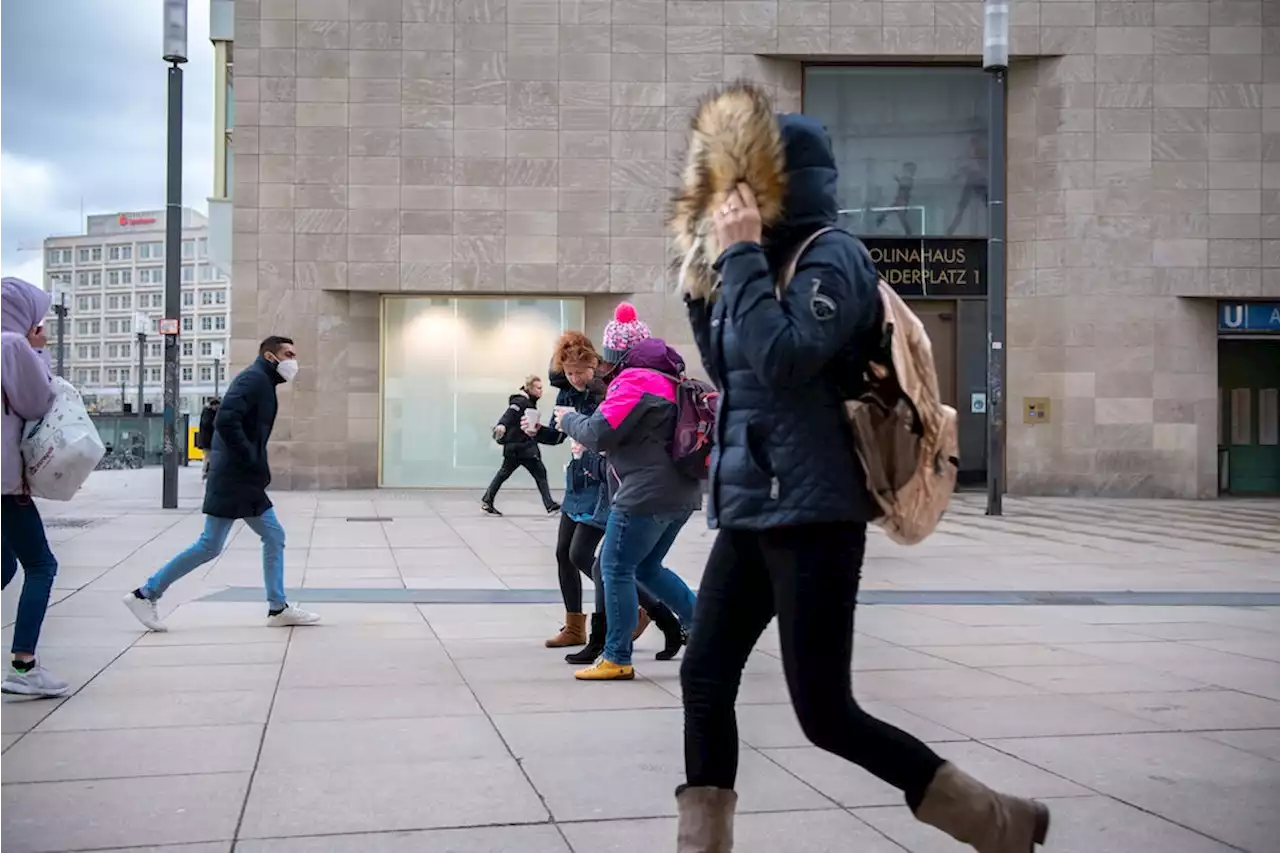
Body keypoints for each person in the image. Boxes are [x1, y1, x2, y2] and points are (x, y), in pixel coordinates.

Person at [677, 112, 1049, 852]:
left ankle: (996, 819)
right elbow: (739, 378)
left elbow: (786, 360)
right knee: (704, 677)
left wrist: (743, 258)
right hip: (753, 508)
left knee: (824, 711)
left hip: (814, 517)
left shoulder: (833, 257)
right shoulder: (754, 261)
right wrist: (703, 279)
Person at [123, 336, 320, 632]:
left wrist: (251, 461)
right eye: (288, 354)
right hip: (235, 477)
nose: (293, 360)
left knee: (242, 540)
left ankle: (278, 607)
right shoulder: (253, 380)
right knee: (218, 544)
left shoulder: (262, 382)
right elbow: (226, 420)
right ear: (270, 356)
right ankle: (145, 593)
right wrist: (250, 458)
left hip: (238, 476)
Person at [556, 303, 699, 681]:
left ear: (617, 351)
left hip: (645, 493)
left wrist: (568, 419)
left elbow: (598, 432)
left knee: (613, 566)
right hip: (681, 493)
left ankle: (617, 656)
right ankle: (705, 630)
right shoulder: (670, 379)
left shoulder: (634, 382)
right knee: (647, 567)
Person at [0, 277, 66, 697]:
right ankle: (24, 667)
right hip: (4, 481)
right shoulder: (11, 345)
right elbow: (38, 401)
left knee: (3, 566)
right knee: (41, 565)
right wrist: (37, 350)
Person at [480, 375, 560, 517]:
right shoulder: (521, 401)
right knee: (540, 474)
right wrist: (502, 425)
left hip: (514, 448)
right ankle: (550, 506)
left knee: (503, 474)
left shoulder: (528, 402)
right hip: (524, 448)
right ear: (530, 388)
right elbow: (509, 414)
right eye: (538, 388)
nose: (541, 391)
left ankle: (487, 501)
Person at [197, 397, 220, 479]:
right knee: (208, 457)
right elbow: (208, 425)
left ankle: (207, 473)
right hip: (207, 440)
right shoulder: (207, 413)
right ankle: (205, 473)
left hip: (209, 440)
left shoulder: (210, 412)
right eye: (216, 406)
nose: (217, 408)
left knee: (209, 458)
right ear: (213, 405)